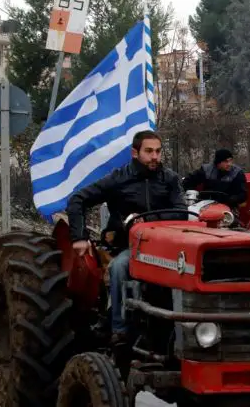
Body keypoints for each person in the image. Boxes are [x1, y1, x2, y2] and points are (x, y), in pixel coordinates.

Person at [66, 130, 187, 343]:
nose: (155, 157)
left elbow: (181, 211)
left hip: (166, 248)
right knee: (119, 267)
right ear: (135, 152)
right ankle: (119, 329)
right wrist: (79, 237)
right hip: (130, 247)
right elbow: (77, 200)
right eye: (149, 151)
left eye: (158, 151)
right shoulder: (118, 179)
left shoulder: (170, 179)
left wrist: (149, 219)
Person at [182, 149, 248, 209]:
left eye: (230, 160)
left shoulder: (237, 173)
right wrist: (194, 195)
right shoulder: (206, 170)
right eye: (226, 161)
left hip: (228, 206)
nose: (229, 164)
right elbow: (187, 182)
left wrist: (230, 200)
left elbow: (242, 194)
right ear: (218, 163)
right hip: (205, 205)